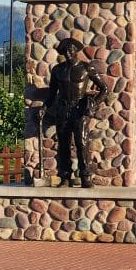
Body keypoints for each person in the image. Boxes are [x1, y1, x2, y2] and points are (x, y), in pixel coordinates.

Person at [41, 37, 107, 187]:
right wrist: (44, 107)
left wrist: (93, 104)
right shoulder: (58, 70)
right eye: (65, 51)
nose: (68, 53)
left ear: (76, 51)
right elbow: (52, 93)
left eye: (71, 50)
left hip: (80, 109)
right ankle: (65, 176)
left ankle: (85, 176)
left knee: (81, 143)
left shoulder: (86, 68)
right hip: (63, 109)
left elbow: (104, 89)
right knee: (63, 144)